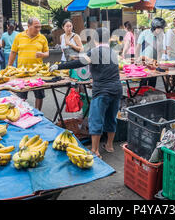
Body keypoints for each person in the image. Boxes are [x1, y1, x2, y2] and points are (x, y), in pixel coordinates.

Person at [53, 27, 123, 159]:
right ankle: (109, 146)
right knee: (111, 117)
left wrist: (59, 66)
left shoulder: (96, 51)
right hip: (117, 89)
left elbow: (79, 63)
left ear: (95, 39)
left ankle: (95, 150)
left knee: (96, 118)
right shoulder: (113, 52)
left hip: (102, 90)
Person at [8, 18, 50, 110]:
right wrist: (9, 67)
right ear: (28, 26)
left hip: (37, 72)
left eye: (39, 27)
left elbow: (47, 53)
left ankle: (38, 112)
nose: (38, 29)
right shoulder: (19, 37)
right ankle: (22, 112)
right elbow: (13, 52)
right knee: (21, 96)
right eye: (36, 27)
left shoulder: (42, 38)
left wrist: (43, 54)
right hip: (21, 72)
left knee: (39, 95)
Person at [136, 17, 166, 88]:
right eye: (161, 28)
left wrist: (158, 63)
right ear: (155, 27)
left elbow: (160, 50)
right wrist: (137, 59)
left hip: (154, 63)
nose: (163, 30)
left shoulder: (161, 35)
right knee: (143, 81)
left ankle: (151, 96)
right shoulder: (145, 33)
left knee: (152, 82)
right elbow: (138, 47)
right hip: (144, 62)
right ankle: (141, 95)